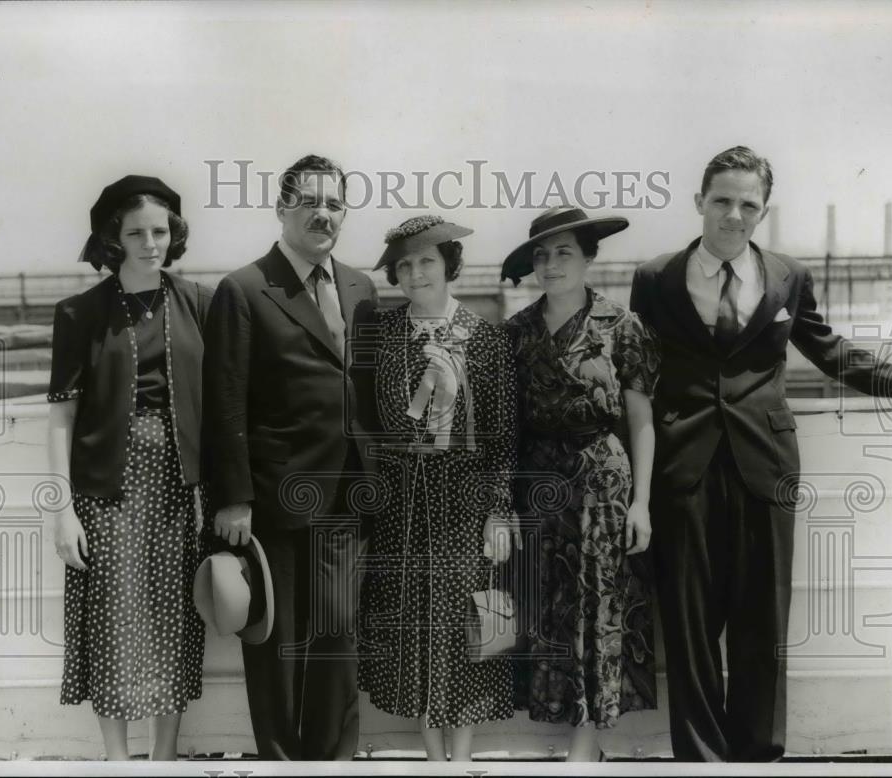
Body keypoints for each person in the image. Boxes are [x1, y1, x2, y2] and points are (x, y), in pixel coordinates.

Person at [629, 146, 892, 762]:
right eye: (722, 201)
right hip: (684, 465)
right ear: (699, 202)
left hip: (766, 464)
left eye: (748, 204)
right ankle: (701, 762)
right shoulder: (655, 278)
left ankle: (759, 759)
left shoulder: (787, 275)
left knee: (763, 620)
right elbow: (636, 375)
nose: (733, 215)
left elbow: (827, 350)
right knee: (690, 624)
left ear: (763, 211)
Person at [202, 154, 379, 761]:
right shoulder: (245, 289)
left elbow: (365, 390)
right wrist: (232, 497)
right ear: (281, 209)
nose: (323, 214)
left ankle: (333, 762)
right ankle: (279, 764)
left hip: (347, 497)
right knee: (275, 646)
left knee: (339, 641)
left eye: (334, 203)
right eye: (309, 202)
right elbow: (224, 403)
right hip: (273, 500)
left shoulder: (361, 287)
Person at [47, 175, 212, 760]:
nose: (150, 242)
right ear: (114, 238)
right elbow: (61, 419)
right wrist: (62, 510)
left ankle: (164, 756)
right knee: (113, 619)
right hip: (105, 489)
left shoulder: (197, 303)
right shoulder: (80, 312)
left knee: (174, 618)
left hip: (177, 485)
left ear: (175, 235)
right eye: (136, 232)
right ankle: (118, 762)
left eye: (160, 230)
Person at [357, 215, 518, 761]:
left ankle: (464, 757)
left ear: (449, 263)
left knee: (462, 621)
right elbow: (368, 423)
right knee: (412, 627)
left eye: (426, 260)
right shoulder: (382, 334)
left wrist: (498, 510)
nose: (415, 272)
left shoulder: (486, 337)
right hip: (401, 503)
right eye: (404, 265)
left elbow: (502, 434)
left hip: (464, 503)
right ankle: (431, 758)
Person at [502, 206, 659, 762]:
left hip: (601, 485)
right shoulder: (514, 332)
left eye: (563, 252)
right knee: (546, 607)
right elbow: (505, 427)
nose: (550, 264)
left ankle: (585, 743)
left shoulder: (622, 325)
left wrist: (641, 502)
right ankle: (561, 727)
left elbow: (640, 419)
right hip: (538, 489)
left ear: (589, 257)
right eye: (541, 255)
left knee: (598, 608)